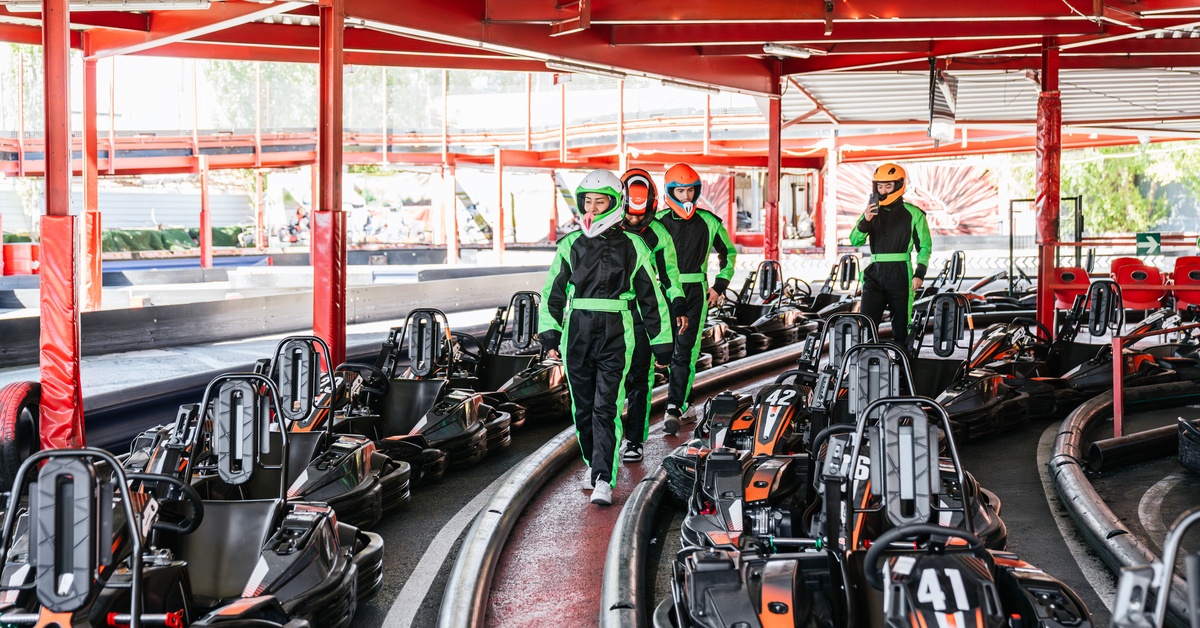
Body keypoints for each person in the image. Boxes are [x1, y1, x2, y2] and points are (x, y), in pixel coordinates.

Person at [538, 170, 674, 506]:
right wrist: (550, 335)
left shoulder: (634, 246)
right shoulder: (570, 245)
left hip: (617, 330)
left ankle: (603, 477)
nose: (593, 209)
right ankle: (593, 462)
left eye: (600, 202)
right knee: (582, 408)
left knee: (606, 406)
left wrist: (661, 342)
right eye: (588, 202)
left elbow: (651, 298)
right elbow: (552, 293)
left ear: (616, 204)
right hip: (577, 331)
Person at [655, 163, 736, 435]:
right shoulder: (657, 223)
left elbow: (729, 254)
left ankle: (674, 406)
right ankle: (685, 404)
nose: (686, 196)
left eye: (690, 190)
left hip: (695, 294)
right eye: (680, 191)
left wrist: (719, 286)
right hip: (663, 292)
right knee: (663, 351)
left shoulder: (710, 222)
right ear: (670, 192)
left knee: (685, 352)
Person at [618, 168, 688, 463]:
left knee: (639, 379)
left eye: (640, 216)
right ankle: (608, 440)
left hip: (644, 314)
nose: (634, 221)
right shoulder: (604, 229)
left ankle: (634, 440)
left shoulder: (658, 234)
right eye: (630, 215)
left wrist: (679, 305)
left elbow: (670, 274)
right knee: (609, 382)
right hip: (609, 316)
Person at [848, 163, 932, 348]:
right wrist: (866, 220)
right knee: (867, 324)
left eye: (888, 186)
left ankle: (903, 363)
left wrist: (919, 273)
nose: (883, 190)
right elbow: (855, 241)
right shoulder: (870, 212)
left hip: (900, 273)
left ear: (899, 185)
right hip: (874, 273)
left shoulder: (914, 213)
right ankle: (866, 360)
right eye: (880, 186)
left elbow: (925, 247)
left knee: (902, 326)